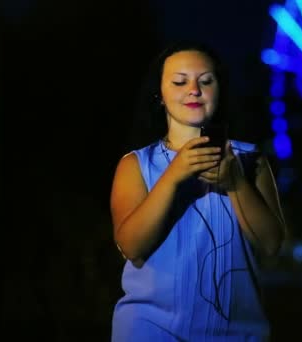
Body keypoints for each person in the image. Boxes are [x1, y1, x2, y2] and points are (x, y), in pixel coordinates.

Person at [109, 40, 287, 341]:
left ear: (219, 90)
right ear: (160, 95)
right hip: (151, 330)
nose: (194, 89)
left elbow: (271, 244)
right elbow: (131, 246)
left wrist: (236, 183)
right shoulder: (136, 164)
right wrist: (174, 175)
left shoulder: (250, 160)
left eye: (206, 81)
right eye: (179, 81)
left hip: (239, 332)